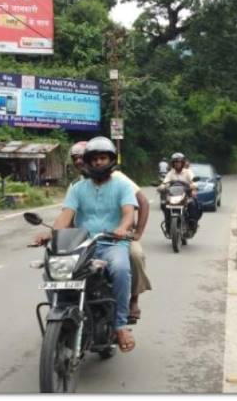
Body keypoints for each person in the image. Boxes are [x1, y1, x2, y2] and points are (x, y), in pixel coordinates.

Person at [33, 136, 138, 352]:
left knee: (120, 269)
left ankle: (120, 325)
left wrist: (122, 228)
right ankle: (62, 314)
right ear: (88, 162)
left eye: (103, 157)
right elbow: (66, 217)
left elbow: (129, 213)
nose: (99, 162)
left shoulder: (122, 185)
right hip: (82, 245)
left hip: (112, 244)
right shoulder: (77, 189)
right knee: (52, 271)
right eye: (94, 159)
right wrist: (51, 234)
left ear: (111, 160)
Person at [70, 141, 152, 322]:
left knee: (135, 256)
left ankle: (132, 300)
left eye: (101, 158)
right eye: (76, 158)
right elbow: (67, 216)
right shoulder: (76, 185)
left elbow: (142, 203)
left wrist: (136, 232)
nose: (79, 162)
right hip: (85, 240)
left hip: (117, 238)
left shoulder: (119, 179)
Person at [158, 152, 200, 235]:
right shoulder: (170, 173)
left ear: (183, 163)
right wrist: (161, 187)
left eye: (179, 162)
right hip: (173, 196)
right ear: (173, 163)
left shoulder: (188, 172)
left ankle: (192, 224)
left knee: (193, 203)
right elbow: (164, 182)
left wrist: (193, 186)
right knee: (164, 204)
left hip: (186, 196)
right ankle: (168, 224)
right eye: (175, 162)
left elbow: (194, 182)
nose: (177, 164)